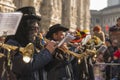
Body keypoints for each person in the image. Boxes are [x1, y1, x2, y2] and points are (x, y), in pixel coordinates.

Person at [5, 6, 56, 80]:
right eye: (32, 25)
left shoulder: (36, 43)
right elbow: (26, 67)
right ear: (22, 27)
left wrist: (55, 56)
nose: (36, 29)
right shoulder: (11, 44)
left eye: (37, 26)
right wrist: (47, 52)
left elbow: (45, 67)